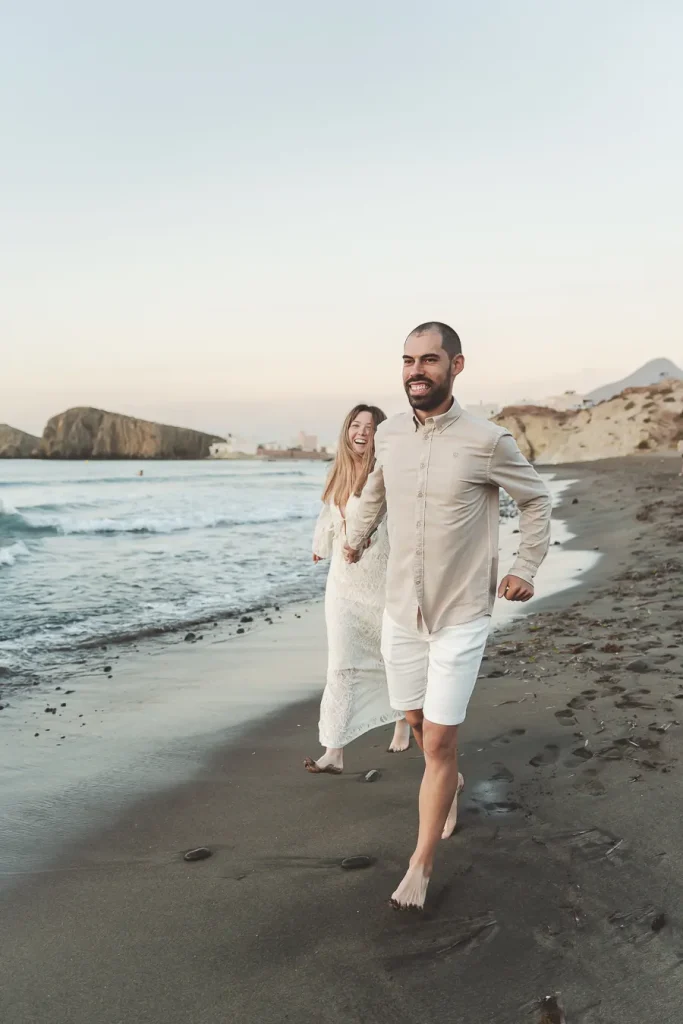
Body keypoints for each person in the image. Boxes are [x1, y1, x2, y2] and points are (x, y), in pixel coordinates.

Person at [344, 323, 552, 909]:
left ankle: (421, 865)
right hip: (399, 611)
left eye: (429, 360)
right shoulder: (389, 438)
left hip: (460, 610)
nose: (416, 370)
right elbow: (377, 491)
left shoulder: (488, 441)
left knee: (437, 740)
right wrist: (355, 537)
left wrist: (526, 566)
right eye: (408, 360)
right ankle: (449, 779)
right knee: (413, 722)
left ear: (456, 367)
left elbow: (535, 501)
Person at [304, 404, 411, 775]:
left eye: (370, 426)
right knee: (341, 663)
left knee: (392, 656)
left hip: (382, 579)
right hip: (343, 585)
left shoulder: (387, 472)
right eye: (356, 424)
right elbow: (329, 513)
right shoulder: (340, 470)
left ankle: (403, 719)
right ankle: (334, 751)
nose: (362, 431)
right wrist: (322, 545)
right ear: (347, 430)